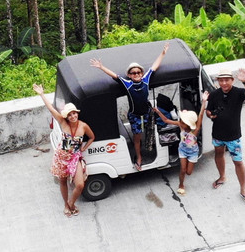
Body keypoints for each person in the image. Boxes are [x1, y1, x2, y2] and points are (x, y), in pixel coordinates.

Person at [90, 41, 169, 170]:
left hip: (147, 112)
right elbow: (114, 76)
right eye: (133, 73)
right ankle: (139, 157)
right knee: (137, 138)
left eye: (138, 72)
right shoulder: (127, 84)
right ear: (129, 75)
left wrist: (163, 53)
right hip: (135, 116)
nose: (136, 74)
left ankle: (152, 148)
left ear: (141, 73)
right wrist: (101, 67)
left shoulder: (146, 79)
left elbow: (154, 66)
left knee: (151, 131)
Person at [33, 83, 95, 217]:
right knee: (63, 181)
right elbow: (51, 109)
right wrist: (42, 94)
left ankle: (71, 204)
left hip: (74, 157)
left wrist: (84, 147)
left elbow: (91, 137)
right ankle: (66, 205)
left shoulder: (83, 126)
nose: (73, 116)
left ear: (77, 113)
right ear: (67, 116)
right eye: (70, 115)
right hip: (62, 156)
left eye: (74, 113)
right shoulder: (63, 123)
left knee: (79, 185)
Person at [205, 67, 245, 204]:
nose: (224, 83)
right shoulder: (214, 94)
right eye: (221, 80)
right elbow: (208, 111)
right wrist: (211, 114)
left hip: (233, 136)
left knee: (238, 162)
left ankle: (243, 189)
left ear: (232, 80)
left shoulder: (238, 93)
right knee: (218, 154)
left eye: (227, 80)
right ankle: (222, 177)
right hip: (218, 134)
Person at [154, 91, 209, 195]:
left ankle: (183, 180)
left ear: (188, 124)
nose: (180, 122)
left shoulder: (195, 130)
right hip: (182, 150)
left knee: (189, 172)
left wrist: (204, 101)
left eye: (183, 122)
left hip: (193, 152)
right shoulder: (180, 125)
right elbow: (166, 120)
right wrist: (158, 111)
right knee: (183, 169)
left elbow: (201, 114)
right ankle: (181, 184)